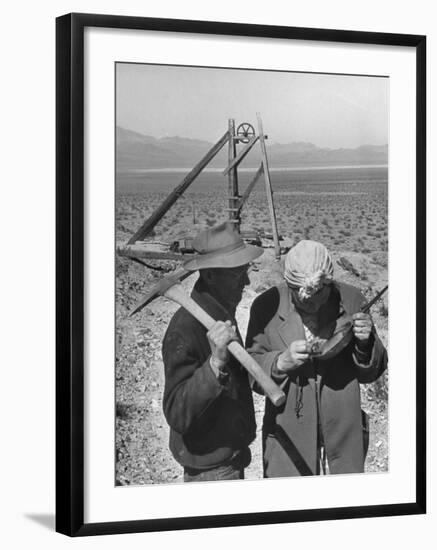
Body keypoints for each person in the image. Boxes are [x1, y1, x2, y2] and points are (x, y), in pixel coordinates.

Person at [245, 240, 388, 477]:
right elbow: (250, 366)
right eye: (298, 293)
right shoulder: (266, 306)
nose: (307, 300)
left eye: (315, 293)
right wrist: (279, 362)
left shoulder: (352, 300)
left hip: (343, 425)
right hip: (288, 430)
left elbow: (371, 372)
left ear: (328, 284)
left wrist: (365, 343)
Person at [162, 221, 263, 482]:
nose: (247, 280)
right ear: (210, 275)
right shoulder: (184, 329)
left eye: (245, 270)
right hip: (210, 470)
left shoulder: (219, 312)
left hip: (230, 456)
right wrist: (214, 364)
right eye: (237, 273)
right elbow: (177, 413)